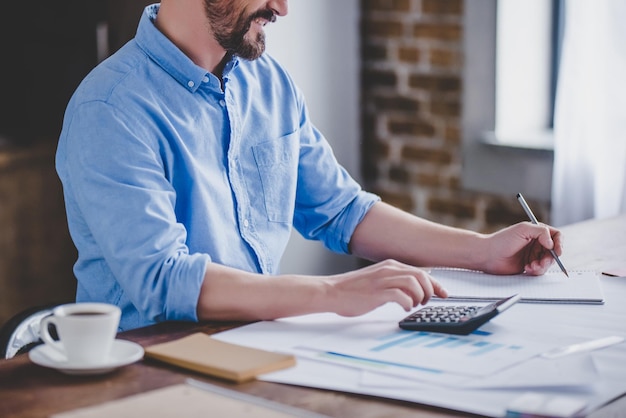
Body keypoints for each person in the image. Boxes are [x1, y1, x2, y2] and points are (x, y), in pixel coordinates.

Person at [55, 0, 563, 332]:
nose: (282, 6)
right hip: (152, 369)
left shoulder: (269, 83)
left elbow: (342, 211)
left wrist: (481, 251)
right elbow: (164, 280)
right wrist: (334, 292)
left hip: (259, 345)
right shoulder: (110, 110)